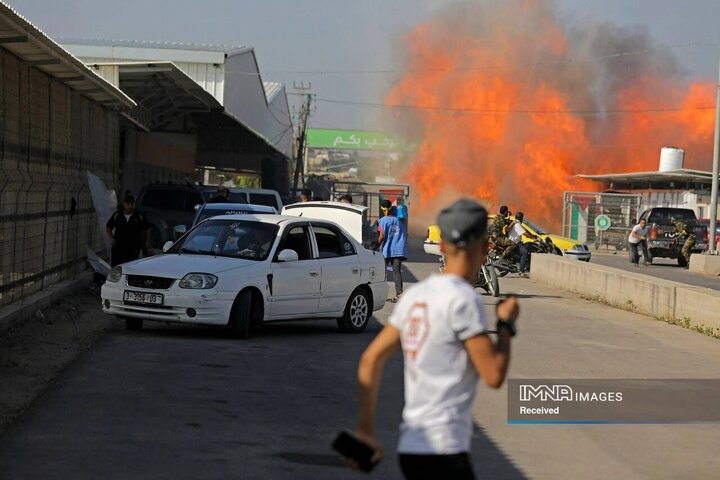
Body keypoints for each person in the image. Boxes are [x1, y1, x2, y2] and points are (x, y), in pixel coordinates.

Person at [352, 198, 519, 480]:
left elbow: (370, 360)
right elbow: (493, 374)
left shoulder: (416, 296)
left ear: (441, 246)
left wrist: (366, 433)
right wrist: (505, 325)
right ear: (485, 248)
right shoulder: (464, 300)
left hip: (411, 449)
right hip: (446, 451)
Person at [106, 195, 149, 267]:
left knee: (131, 266)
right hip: (118, 246)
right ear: (124, 204)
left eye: (132, 204)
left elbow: (146, 228)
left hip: (133, 246)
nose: (130, 206)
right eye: (128, 204)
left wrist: (146, 241)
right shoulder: (117, 215)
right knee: (117, 266)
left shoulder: (139, 216)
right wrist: (111, 238)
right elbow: (109, 227)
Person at [378, 199, 407, 302]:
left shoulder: (383, 221)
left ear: (383, 209)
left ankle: (379, 295)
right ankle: (399, 295)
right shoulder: (400, 220)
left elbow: (381, 237)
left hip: (387, 250)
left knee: (381, 271)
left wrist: (375, 246)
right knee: (396, 271)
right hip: (399, 250)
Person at [507, 212, 536, 278]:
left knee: (528, 245)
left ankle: (523, 264)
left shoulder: (516, 223)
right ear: (521, 218)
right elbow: (524, 233)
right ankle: (521, 271)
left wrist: (532, 235)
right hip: (515, 243)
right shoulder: (517, 224)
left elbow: (525, 231)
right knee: (524, 253)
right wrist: (533, 238)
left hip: (517, 242)